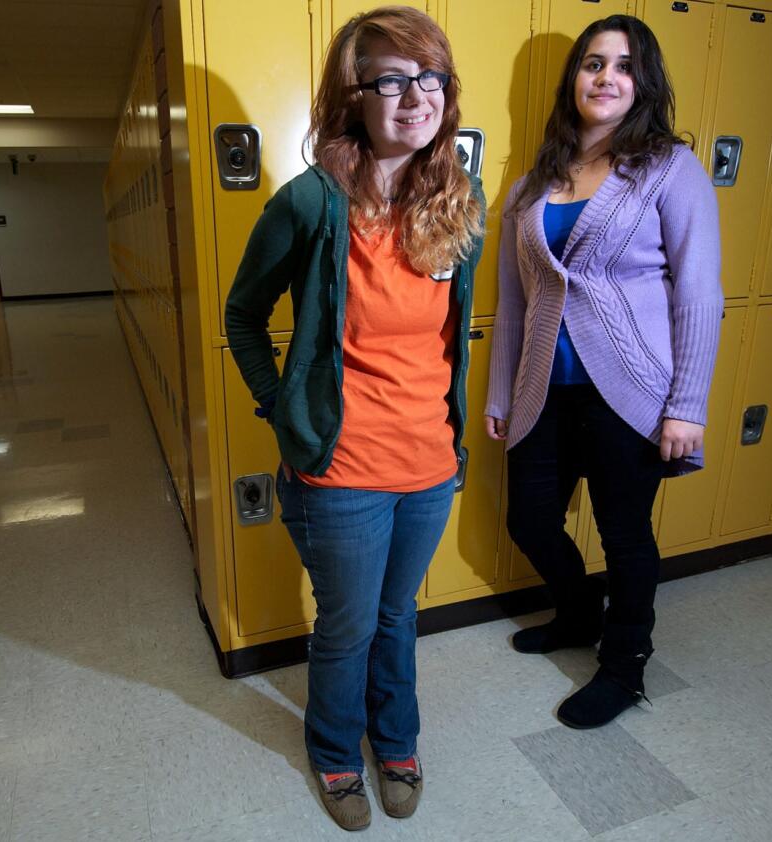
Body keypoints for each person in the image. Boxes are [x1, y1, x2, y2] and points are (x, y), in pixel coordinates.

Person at [225, 6, 484, 831]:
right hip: (342, 466)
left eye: (431, 78)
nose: (416, 97)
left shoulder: (457, 199)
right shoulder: (311, 203)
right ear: (356, 94)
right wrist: (282, 409)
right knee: (345, 626)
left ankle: (396, 740)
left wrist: (456, 442)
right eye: (393, 80)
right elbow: (242, 315)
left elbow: (450, 344)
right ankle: (337, 752)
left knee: (398, 615)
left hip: (430, 465)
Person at [484, 14, 721, 730]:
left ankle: (624, 668)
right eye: (593, 63)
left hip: (632, 393)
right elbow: (514, 303)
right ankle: (580, 613)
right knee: (529, 518)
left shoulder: (669, 168)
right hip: (542, 390)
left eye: (622, 66)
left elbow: (700, 292)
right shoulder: (531, 186)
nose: (606, 77)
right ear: (575, 79)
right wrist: (500, 392)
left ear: (641, 82)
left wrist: (688, 404)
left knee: (624, 537)